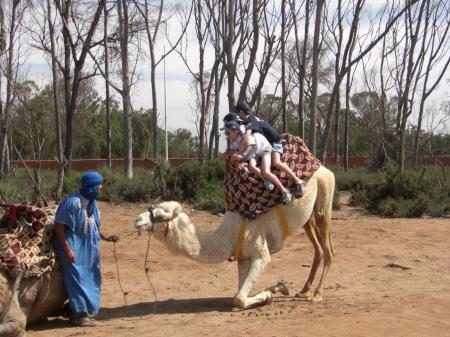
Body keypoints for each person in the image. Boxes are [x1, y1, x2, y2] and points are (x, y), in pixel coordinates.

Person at [53, 172, 118, 327]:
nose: (100, 189)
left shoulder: (93, 204)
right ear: (91, 187)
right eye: (98, 186)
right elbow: (58, 226)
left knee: (92, 278)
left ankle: (84, 311)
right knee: (76, 279)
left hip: (89, 250)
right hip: (72, 246)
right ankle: (79, 315)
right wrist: (67, 250)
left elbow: (93, 226)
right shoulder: (72, 202)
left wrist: (107, 238)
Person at [235, 101, 305, 198]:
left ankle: (298, 181)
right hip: (265, 145)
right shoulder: (249, 120)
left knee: (276, 162)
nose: (238, 115)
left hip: (274, 142)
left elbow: (246, 136)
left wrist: (238, 151)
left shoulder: (251, 121)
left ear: (242, 112)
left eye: (238, 112)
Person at [223, 120, 292, 205]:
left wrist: (242, 155)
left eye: (228, 133)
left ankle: (284, 190)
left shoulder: (245, 136)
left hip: (265, 149)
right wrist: (226, 156)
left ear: (235, 130)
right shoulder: (234, 141)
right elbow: (232, 151)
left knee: (266, 171)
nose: (226, 135)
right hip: (256, 153)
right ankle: (266, 181)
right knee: (251, 167)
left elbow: (250, 145)